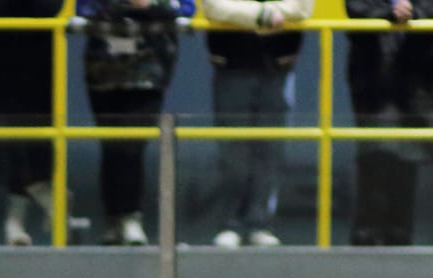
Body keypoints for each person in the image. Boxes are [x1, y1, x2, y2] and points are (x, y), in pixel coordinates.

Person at [78, 0, 194, 246]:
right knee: (110, 146)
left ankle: (130, 217)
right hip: (103, 67)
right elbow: (84, 8)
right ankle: (112, 219)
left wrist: (151, 3)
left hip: (150, 68)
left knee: (133, 146)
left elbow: (185, 8)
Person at [203, 0, 312, 247]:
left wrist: (259, 14)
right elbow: (215, 7)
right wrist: (263, 15)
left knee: (270, 150)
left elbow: (304, 7)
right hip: (232, 65)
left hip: (278, 66)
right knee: (233, 150)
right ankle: (230, 223)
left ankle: (259, 223)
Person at [345, 0, 433, 246]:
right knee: (374, 155)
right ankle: (367, 232)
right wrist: (389, 12)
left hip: (416, 78)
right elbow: (355, 8)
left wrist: (413, 12)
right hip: (373, 74)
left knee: (408, 157)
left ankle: (400, 232)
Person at [0, 0, 61, 246]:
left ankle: (16, 219)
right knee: (1, 136)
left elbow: (49, 8)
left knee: (31, 138)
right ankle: (44, 197)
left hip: (36, 56)